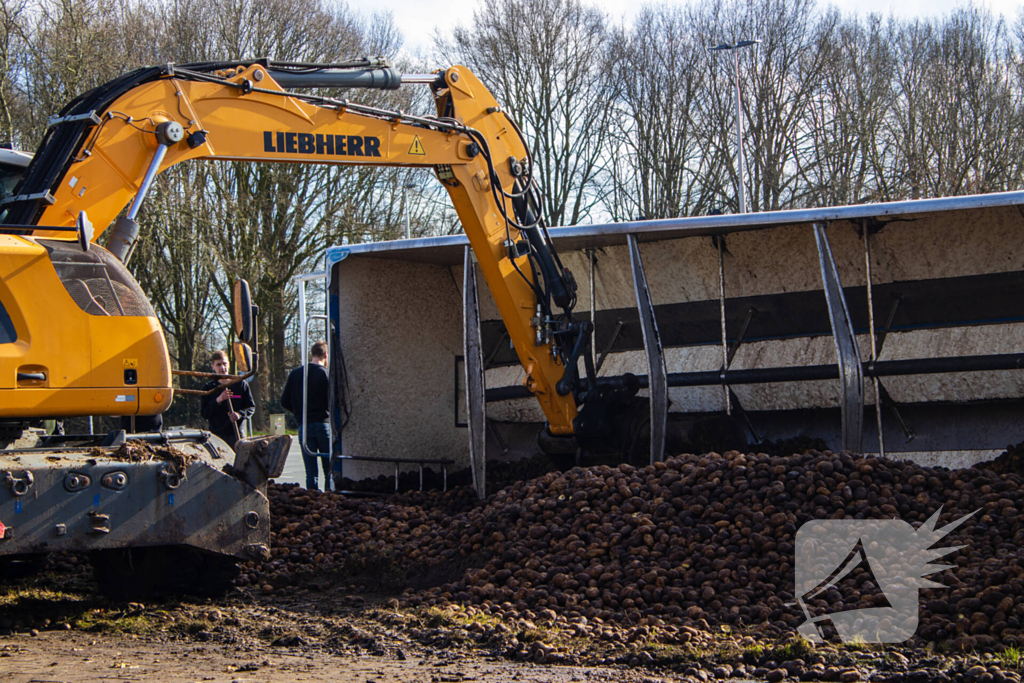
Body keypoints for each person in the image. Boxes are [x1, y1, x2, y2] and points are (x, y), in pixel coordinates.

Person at [281, 340, 331, 491]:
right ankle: (330, 499)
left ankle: (313, 499)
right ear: (325, 354)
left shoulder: (296, 374)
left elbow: (284, 401)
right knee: (328, 469)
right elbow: (333, 400)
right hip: (323, 424)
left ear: (312, 354)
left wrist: (298, 413)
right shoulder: (325, 374)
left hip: (304, 425)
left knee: (310, 471)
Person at [200, 349, 255, 450]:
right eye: (218, 364)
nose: (222, 367)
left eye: (224, 364)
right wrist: (218, 401)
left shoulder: (240, 384)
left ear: (229, 364)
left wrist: (239, 414)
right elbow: (205, 413)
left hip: (237, 434)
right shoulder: (208, 388)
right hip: (217, 436)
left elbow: (250, 407)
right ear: (213, 367)